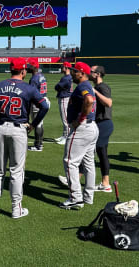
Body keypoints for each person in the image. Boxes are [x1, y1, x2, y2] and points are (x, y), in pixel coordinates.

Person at [0, 57, 49, 219]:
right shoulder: (28, 88)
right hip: (19, 130)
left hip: (1, 128)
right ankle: (16, 209)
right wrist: (33, 124)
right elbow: (44, 106)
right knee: (16, 171)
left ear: (10, 69)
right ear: (23, 71)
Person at [60, 62, 99, 209]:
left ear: (82, 73)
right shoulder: (87, 86)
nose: (72, 73)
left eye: (74, 71)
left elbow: (88, 100)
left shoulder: (83, 86)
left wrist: (80, 119)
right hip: (92, 127)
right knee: (88, 164)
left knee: (70, 162)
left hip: (82, 128)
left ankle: (75, 198)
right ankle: (88, 197)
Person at [89, 65, 113, 192]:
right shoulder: (97, 87)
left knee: (94, 151)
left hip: (104, 123)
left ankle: (105, 184)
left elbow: (109, 103)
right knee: (100, 153)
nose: (88, 73)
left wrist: (95, 92)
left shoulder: (102, 87)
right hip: (99, 123)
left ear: (97, 74)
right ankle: (105, 183)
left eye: (91, 72)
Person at [27, 58, 50, 152]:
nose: (28, 67)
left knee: (37, 124)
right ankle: (40, 144)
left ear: (34, 67)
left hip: (37, 102)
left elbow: (31, 94)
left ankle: (38, 145)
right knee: (40, 123)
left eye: (30, 66)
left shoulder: (34, 78)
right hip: (44, 99)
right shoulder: (41, 75)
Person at [54, 62, 73, 145]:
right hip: (65, 97)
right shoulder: (68, 77)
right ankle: (64, 135)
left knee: (65, 119)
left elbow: (57, 87)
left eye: (62, 67)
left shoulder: (66, 78)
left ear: (66, 67)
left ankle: (67, 137)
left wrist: (57, 86)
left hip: (65, 98)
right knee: (64, 119)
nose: (61, 68)